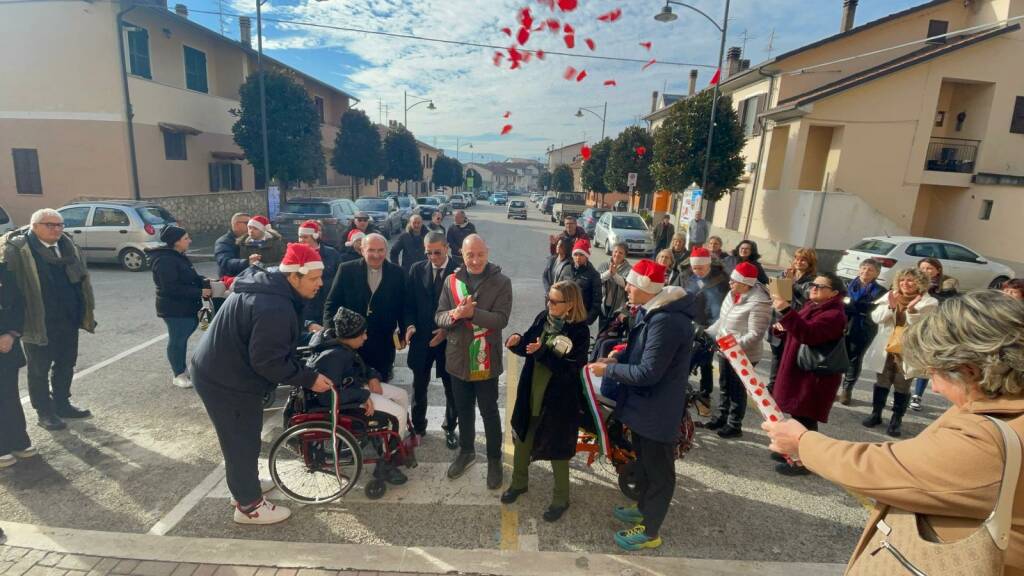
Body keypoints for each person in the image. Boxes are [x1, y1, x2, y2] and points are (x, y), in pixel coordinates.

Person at [763, 291, 1024, 576]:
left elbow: (884, 468)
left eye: (934, 372)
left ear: (970, 370)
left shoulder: (991, 442)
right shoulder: (1000, 403)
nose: (934, 388)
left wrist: (803, 443)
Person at [190, 243, 333, 525]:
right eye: (314, 278)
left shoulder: (272, 286)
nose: (320, 284)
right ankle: (248, 506)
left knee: (246, 437)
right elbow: (268, 362)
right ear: (294, 276)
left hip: (225, 370)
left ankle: (246, 487)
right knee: (240, 441)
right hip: (226, 380)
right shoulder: (273, 306)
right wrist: (310, 378)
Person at [588, 259, 695, 551]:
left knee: (660, 472)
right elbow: (641, 354)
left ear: (647, 289)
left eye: (631, 285)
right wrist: (616, 359)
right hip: (644, 407)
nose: (627, 290)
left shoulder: (666, 321)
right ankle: (643, 507)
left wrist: (608, 371)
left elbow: (648, 372)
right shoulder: (653, 313)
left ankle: (650, 531)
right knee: (646, 465)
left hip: (657, 411)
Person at [1, 208, 96, 431]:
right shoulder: (19, 250)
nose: (56, 229)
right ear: (34, 226)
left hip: (68, 318)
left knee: (66, 363)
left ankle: (62, 403)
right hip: (37, 321)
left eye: (59, 225)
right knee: (39, 369)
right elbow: (10, 290)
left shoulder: (67, 246)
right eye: (50, 225)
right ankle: (44, 412)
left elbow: (81, 279)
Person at [502, 281, 590, 522]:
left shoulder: (579, 331)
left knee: (558, 451)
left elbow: (573, 369)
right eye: (548, 299)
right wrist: (516, 342)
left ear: (570, 304)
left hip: (559, 401)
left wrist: (542, 353)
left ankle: (561, 499)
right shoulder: (544, 318)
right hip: (531, 391)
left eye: (554, 301)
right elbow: (528, 344)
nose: (549, 304)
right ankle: (519, 483)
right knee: (522, 437)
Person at [435, 234, 513, 490]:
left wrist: (473, 313)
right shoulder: (451, 281)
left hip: (484, 358)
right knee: (463, 409)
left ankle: (494, 460)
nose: (476, 259)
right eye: (470, 255)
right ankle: (466, 451)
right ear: (462, 254)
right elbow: (439, 317)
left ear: (487, 252)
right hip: (457, 359)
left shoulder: (501, 282)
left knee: (489, 412)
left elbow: (500, 319)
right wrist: (455, 315)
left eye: (480, 254)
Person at [310, 307, 412, 485]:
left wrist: (372, 376)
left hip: (354, 387)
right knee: (399, 413)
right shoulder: (333, 357)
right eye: (362, 334)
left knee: (401, 395)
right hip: (348, 399)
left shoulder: (343, 346)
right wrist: (363, 396)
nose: (365, 337)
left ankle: (392, 443)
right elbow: (328, 396)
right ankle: (387, 459)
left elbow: (359, 366)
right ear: (350, 335)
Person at [768, 271, 848, 475]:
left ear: (833, 293)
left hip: (814, 376)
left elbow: (809, 334)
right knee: (797, 415)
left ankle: (805, 461)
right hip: (799, 371)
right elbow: (797, 328)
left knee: (806, 418)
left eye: (820, 286)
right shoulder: (813, 306)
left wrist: (786, 311)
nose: (813, 287)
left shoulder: (834, 315)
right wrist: (781, 327)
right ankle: (792, 449)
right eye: (813, 284)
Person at [862, 268, 938, 436]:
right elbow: (876, 318)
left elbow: (923, 327)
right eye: (903, 280)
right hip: (886, 349)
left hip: (907, 351)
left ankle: (896, 420)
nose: (906, 283)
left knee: (902, 386)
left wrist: (911, 311)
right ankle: (876, 414)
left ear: (920, 283)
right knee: (882, 382)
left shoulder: (929, 302)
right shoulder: (891, 295)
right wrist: (891, 306)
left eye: (911, 280)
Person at [322, 234, 408, 381]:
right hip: (350, 343)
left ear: (386, 251)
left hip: (383, 344)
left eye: (380, 250)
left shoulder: (398, 273)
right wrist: (331, 334)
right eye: (371, 250)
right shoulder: (347, 270)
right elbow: (331, 304)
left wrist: (403, 333)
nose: (376, 255)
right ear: (362, 250)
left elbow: (404, 307)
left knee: (381, 387)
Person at [406, 231, 462, 447]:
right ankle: (418, 427)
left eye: (437, 252)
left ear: (447, 248)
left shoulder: (460, 270)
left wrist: (446, 330)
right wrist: (409, 325)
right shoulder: (416, 269)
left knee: (452, 388)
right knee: (419, 387)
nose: (433, 257)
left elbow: (465, 306)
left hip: (450, 340)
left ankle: (450, 427)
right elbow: (408, 304)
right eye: (428, 253)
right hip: (422, 340)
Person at [705, 261, 772, 437]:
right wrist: (709, 333)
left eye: (734, 281)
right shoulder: (733, 293)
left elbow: (755, 334)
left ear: (745, 284)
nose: (730, 283)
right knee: (725, 385)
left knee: (737, 389)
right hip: (725, 349)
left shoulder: (759, 303)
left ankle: (734, 425)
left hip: (744, 354)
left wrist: (732, 347)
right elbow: (723, 320)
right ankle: (721, 416)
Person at [146, 225, 211, 389]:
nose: (190, 241)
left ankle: (182, 369)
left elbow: (190, 277)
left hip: (186, 306)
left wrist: (205, 281)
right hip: (174, 308)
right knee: (178, 340)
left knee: (181, 338)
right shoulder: (164, 261)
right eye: (186, 238)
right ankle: (178, 374)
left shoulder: (178, 256)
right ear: (176, 242)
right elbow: (171, 288)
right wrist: (199, 292)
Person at [678, 247, 731, 413]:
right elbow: (675, 293)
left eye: (700, 268)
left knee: (706, 362)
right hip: (687, 322)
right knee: (684, 359)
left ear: (708, 265)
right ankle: (679, 391)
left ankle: (705, 393)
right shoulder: (685, 275)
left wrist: (713, 328)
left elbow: (726, 306)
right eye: (695, 268)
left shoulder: (721, 279)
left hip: (710, 325)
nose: (697, 271)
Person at [910, 257, 959, 410]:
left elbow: (948, 308)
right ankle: (903, 392)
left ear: (938, 270)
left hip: (933, 328)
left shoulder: (946, 288)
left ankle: (917, 395)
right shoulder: (910, 282)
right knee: (909, 360)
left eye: (929, 268)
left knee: (927, 362)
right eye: (923, 268)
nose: (925, 271)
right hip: (912, 325)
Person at [0, 258, 35, 469]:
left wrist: (12, 334)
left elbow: (18, 304)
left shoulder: (5, 271)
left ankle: (18, 440)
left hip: (7, 345)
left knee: (9, 394)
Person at [768, 248, 818, 392]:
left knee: (789, 358)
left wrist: (792, 284)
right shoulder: (785, 274)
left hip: (795, 322)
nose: (798, 262)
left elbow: (808, 298)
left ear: (810, 263)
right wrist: (779, 286)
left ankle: (783, 387)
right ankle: (772, 385)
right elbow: (776, 294)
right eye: (797, 258)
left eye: (803, 259)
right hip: (778, 319)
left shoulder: (812, 281)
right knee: (776, 354)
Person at [838, 259, 887, 405]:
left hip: (863, 327)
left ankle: (847, 389)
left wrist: (853, 305)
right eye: (864, 268)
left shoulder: (880, 291)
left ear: (877, 273)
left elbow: (874, 309)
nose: (866, 272)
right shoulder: (845, 285)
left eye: (870, 270)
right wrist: (859, 306)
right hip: (842, 323)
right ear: (859, 269)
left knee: (854, 358)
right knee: (836, 354)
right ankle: (831, 386)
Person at [297, 220, 342, 337]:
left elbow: (341, 279)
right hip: (306, 307)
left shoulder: (332, 253)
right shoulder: (295, 255)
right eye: (300, 237)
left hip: (328, 305)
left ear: (315, 236)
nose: (301, 240)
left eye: (305, 237)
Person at [597, 242, 631, 332]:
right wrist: (609, 273)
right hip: (603, 305)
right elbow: (598, 280)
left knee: (613, 333)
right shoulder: (604, 264)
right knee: (601, 332)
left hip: (619, 308)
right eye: (615, 251)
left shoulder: (629, 269)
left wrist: (615, 274)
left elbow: (626, 284)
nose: (617, 254)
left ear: (625, 255)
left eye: (621, 253)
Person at [568, 239, 602, 326]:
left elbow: (597, 302)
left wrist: (587, 320)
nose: (578, 258)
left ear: (586, 256)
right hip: (565, 316)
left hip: (581, 319)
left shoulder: (594, 275)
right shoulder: (567, 269)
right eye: (575, 254)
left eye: (581, 255)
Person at [215, 212, 253, 278]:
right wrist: (247, 262)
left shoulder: (251, 239)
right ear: (236, 224)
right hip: (232, 280)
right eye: (247, 223)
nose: (250, 227)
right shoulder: (223, 242)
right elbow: (225, 262)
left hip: (249, 278)